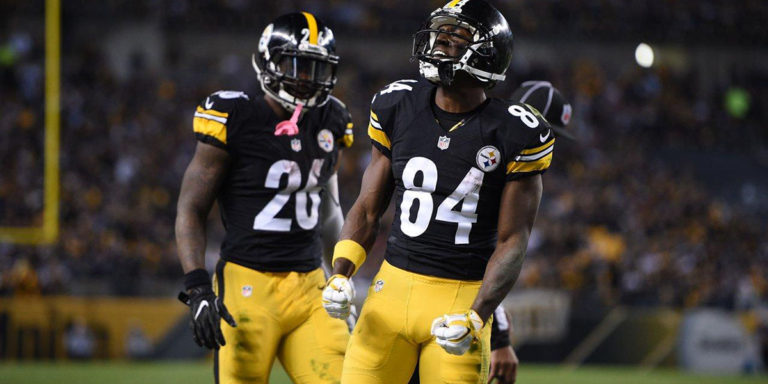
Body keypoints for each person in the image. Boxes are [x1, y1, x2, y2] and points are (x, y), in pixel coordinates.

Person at [321, 1, 554, 383]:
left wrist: (478, 317)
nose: (441, 41)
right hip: (390, 291)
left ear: (488, 54)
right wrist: (341, 272)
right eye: (440, 32)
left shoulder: (516, 131)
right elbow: (366, 210)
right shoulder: (398, 104)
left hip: (458, 301)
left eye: (456, 36)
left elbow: (513, 241)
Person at [175, 12, 353, 384]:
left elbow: (330, 212)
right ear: (269, 63)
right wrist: (197, 287)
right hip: (247, 285)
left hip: (310, 287)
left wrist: (341, 277)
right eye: (298, 67)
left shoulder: (331, 119)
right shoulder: (234, 115)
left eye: (317, 70)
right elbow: (192, 208)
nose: (308, 80)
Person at [407, 81, 573, 384]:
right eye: (547, 132)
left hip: (418, 289)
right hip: (445, 296)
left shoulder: (475, 142)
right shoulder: (500, 168)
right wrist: (500, 339)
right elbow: (483, 259)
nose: (548, 143)